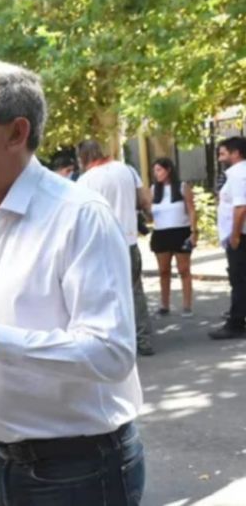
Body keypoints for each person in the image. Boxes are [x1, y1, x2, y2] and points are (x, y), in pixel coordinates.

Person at [0, 60, 144, 505]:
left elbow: (111, 352)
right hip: (0, 461)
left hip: (81, 469)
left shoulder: (79, 217)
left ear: (16, 133)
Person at [76, 139, 156, 356]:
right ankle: (144, 340)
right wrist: (146, 216)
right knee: (136, 291)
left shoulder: (85, 181)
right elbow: (144, 200)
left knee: (109, 296)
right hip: (129, 241)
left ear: (83, 157)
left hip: (103, 245)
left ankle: (119, 342)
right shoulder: (127, 170)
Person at [149, 157, 197, 317]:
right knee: (163, 270)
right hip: (161, 233)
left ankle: (187, 305)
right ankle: (164, 305)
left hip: (180, 231)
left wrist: (194, 231)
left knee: (184, 269)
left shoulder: (182, 187)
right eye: (155, 171)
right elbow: (149, 211)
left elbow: (191, 209)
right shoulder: (153, 190)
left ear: (168, 169)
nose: (156, 174)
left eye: (159, 170)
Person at [212, 137, 246, 340]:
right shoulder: (236, 174)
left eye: (223, 153)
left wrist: (234, 235)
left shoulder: (238, 174)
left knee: (238, 279)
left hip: (240, 236)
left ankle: (236, 323)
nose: (220, 158)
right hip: (239, 235)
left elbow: (241, 207)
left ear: (236, 153)